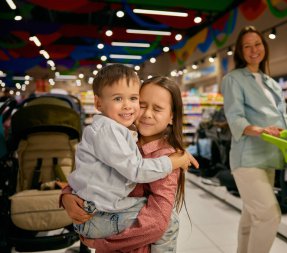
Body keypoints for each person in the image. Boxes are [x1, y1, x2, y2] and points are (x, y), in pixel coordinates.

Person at [67, 65, 195, 246]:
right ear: (98, 103)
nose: (145, 113)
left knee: (170, 221)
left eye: (133, 99)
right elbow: (92, 173)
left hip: (122, 238)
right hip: (100, 215)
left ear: (172, 117)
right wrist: (65, 197)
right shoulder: (118, 135)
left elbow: (157, 222)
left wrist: (101, 245)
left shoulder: (160, 152)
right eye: (142, 104)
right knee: (171, 222)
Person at [221, 25, 287, 253]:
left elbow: (283, 121)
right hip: (247, 158)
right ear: (240, 51)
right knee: (269, 216)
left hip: (269, 157)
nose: (253, 49)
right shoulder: (233, 79)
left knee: (251, 218)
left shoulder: (271, 83)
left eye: (257, 44)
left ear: (264, 47)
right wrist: (259, 130)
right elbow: (235, 118)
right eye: (247, 46)